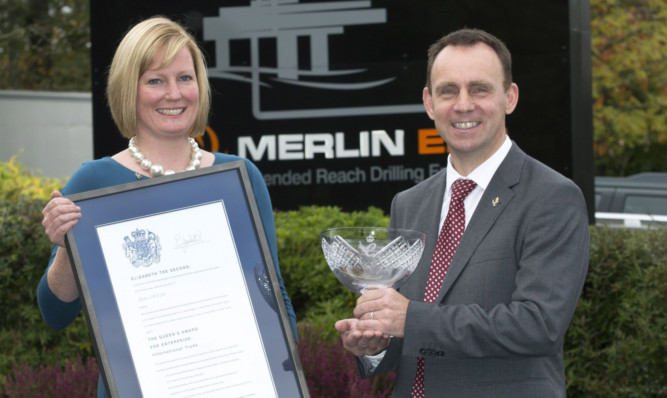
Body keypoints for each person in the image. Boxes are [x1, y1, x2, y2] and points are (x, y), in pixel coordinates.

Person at [37, 16, 297, 397]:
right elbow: (55, 314)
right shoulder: (93, 182)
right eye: (155, 80)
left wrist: (280, 376)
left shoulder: (239, 176)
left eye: (185, 78)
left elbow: (274, 295)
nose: (173, 94)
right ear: (130, 89)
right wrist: (65, 246)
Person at [335, 28, 590, 397]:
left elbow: (539, 325)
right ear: (429, 102)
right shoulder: (409, 203)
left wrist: (411, 319)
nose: (463, 104)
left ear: (510, 97)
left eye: (480, 89)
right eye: (448, 90)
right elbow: (409, 333)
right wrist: (377, 345)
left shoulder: (552, 197)